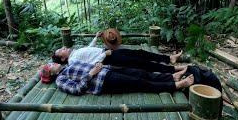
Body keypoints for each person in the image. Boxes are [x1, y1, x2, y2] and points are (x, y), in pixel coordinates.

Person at [52, 28, 185, 74]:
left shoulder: (75, 53)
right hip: (108, 58)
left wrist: (95, 38)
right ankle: (171, 70)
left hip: (108, 52)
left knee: (140, 53)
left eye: (62, 47)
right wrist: (105, 54)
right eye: (61, 50)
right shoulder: (73, 61)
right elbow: (91, 65)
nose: (64, 48)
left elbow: (89, 50)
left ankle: (169, 59)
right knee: (140, 62)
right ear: (63, 58)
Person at [40, 61, 194, 96]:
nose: (52, 63)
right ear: (51, 74)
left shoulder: (68, 65)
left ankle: (171, 76)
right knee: (140, 83)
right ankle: (176, 85)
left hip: (106, 71)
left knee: (140, 73)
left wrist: (98, 65)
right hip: (103, 82)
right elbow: (76, 89)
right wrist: (92, 73)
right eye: (50, 66)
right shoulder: (61, 80)